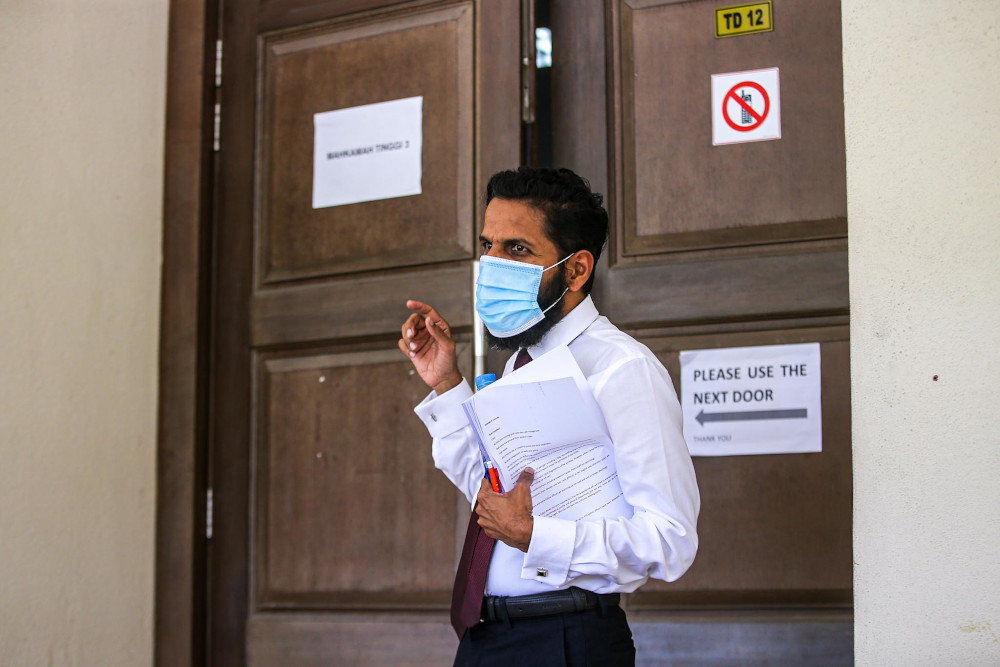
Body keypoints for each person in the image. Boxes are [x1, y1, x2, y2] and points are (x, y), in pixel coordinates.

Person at [399, 166, 700, 666]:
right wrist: (447, 384)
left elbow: (669, 540)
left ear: (576, 270)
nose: (493, 264)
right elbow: (492, 499)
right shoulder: (522, 360)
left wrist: (536, 536)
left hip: (564, 639)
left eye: (517, 249)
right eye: (488, 245)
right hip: (487, 636)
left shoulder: (623, 368)